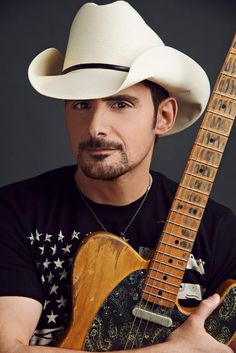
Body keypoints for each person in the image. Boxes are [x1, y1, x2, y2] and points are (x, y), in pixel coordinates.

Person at [0, 1, 235, 353]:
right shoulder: (15, 212)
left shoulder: (218, 229)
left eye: (120, 104)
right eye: (81, 104)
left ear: (164, 116)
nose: (95, 127)